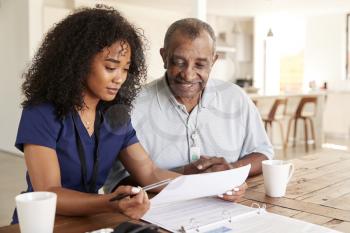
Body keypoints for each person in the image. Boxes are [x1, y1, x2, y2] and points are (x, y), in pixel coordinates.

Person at [12, 5, 181, 224]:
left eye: (125, 69)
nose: (119, 78)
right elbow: (49, 192)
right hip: (43, 223)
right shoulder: (41, 112)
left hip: (92, 220)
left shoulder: (114, 115)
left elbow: (149, 171)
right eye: (111, 67)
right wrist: (112, 201)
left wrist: (209, 186)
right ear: (78, 63)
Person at [105, 18, 273, 193]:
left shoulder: (236, 98)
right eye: (179, 62)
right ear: (164, 57)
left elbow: (264, 153)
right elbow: (118, 184)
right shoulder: (131, 106)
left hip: (228, 208)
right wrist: (187, 175)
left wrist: (230, 171)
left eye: (200, 64)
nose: (188, 75)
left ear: (213, 61)